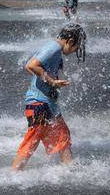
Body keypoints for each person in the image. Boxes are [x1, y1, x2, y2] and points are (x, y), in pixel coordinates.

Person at [11, 23, 87, 171]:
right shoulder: (54, 47)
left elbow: (37, 68)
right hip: (38, 103)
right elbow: (31, 65)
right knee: (32, 140)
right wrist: (52, 81)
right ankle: (13, 175)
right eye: (76, 48)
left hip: (48, 103)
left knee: (63, 136)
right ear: (70, 41)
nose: (74, 52)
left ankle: (70, 172)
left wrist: (54, 82)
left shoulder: (55, 49)